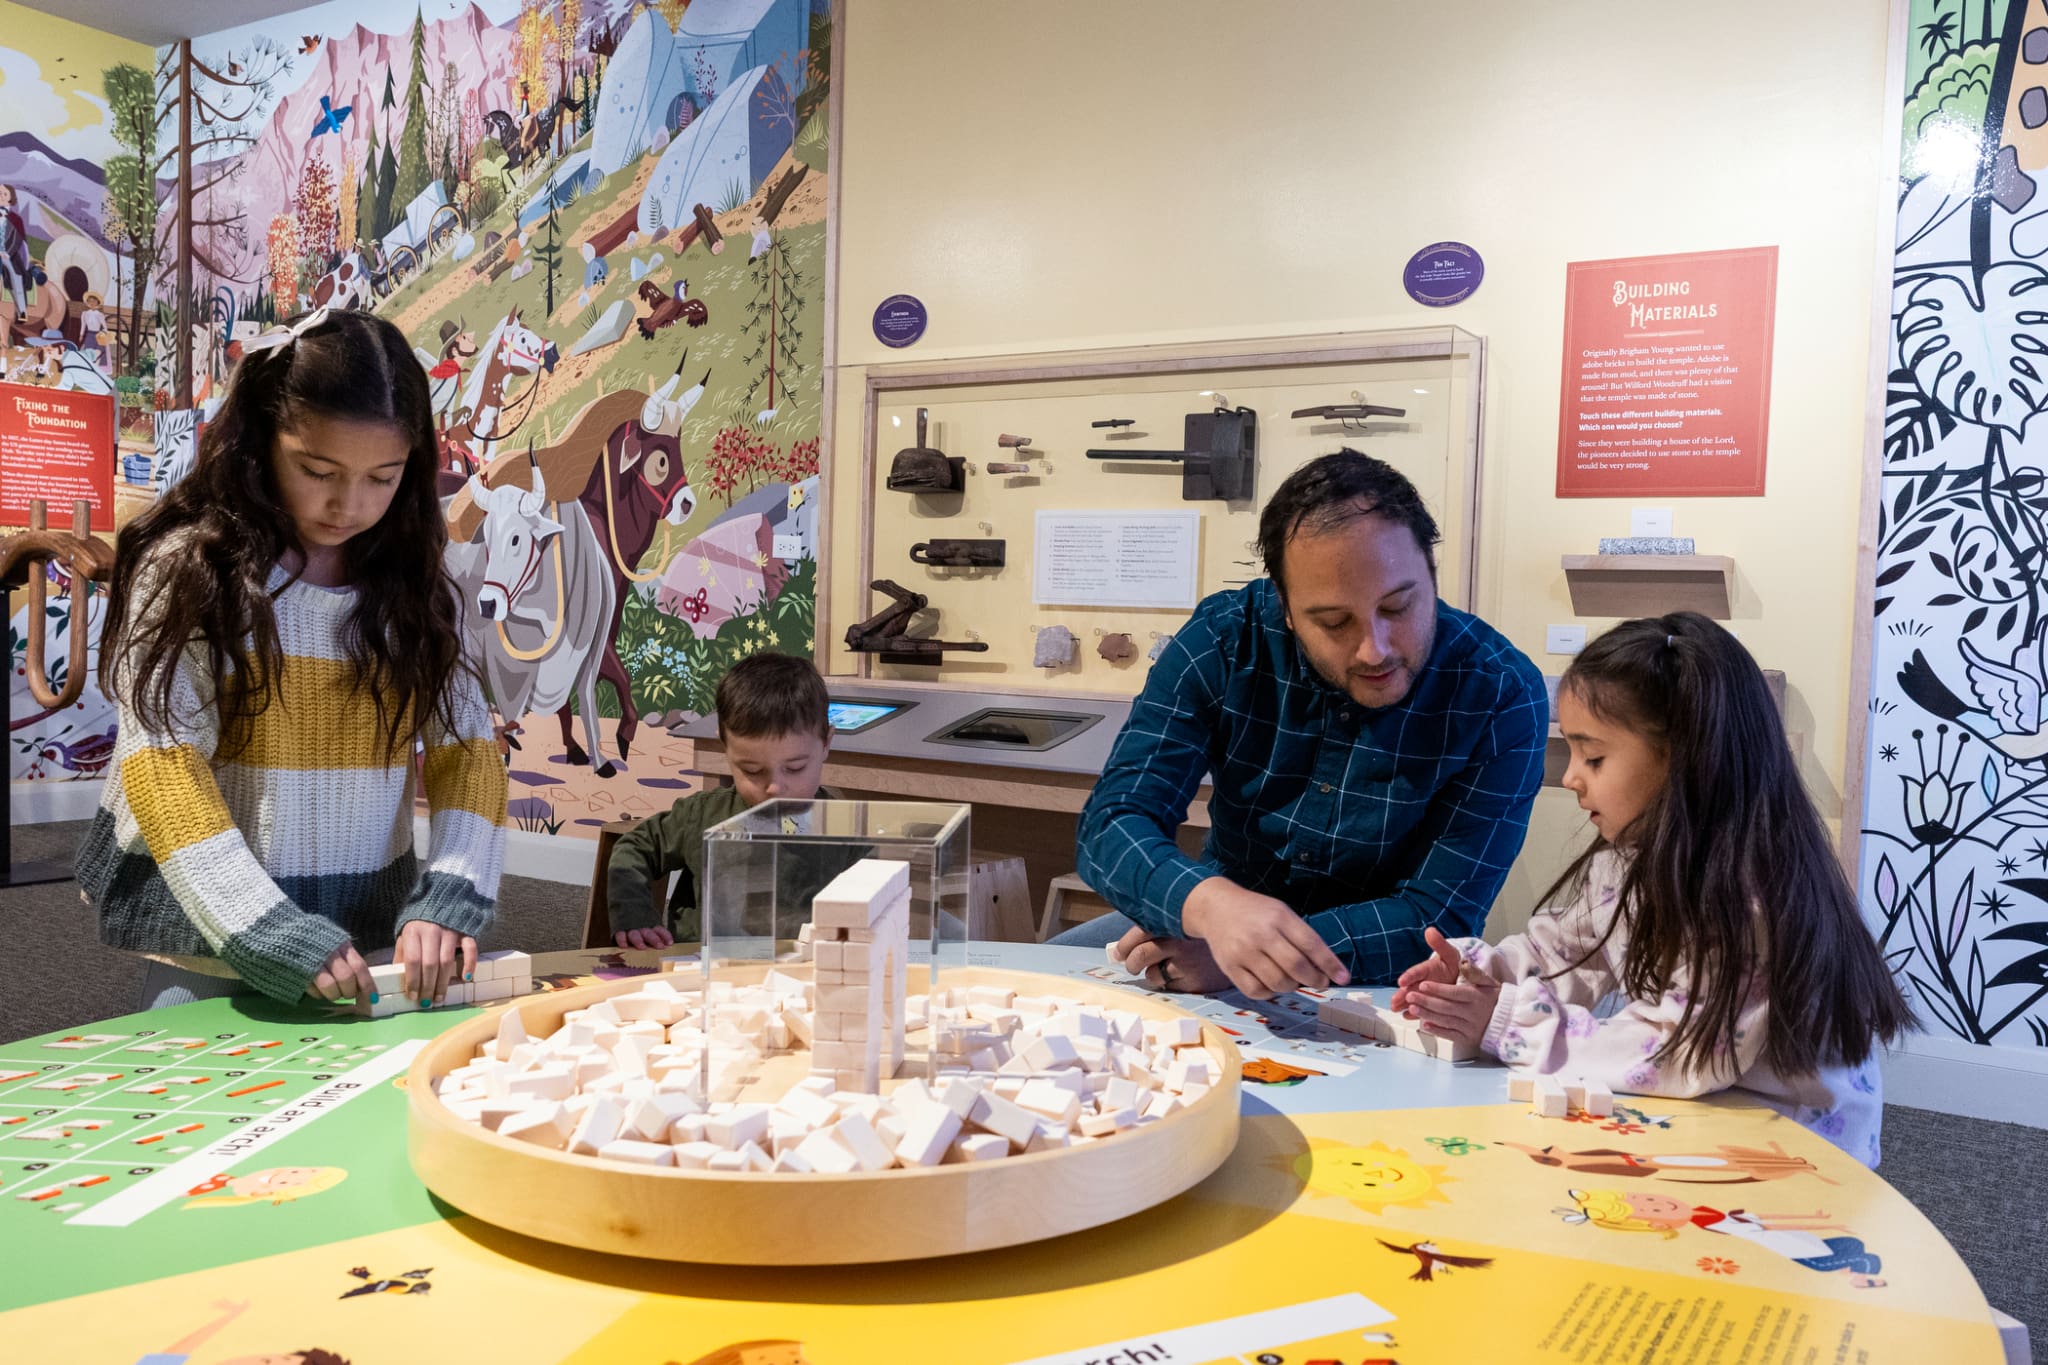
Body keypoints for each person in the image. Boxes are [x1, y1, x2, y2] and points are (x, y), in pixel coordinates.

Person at [76, 308, 508, 1012]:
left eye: (383, 477)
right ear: (259, 441)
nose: (349, 503)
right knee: (199, 1113)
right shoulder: (186, 571)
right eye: (318, 469)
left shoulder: (422, 587)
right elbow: (164, 767)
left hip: (359, 937)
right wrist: (263, 926)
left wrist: (450, 892)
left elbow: (469, 752)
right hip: (210, 941)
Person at [1391, 613, 1911, 1165]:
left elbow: (1675, 1052)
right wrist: (1479, 975)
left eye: (1593, 757)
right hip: (1709, 1109)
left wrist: (1505, 1020)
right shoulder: (1626, 858)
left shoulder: (1749, 900)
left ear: (1684, 760)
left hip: (1797, 1151)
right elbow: (1565, 951)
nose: (1570, 777)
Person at [1069, 451, 1548, 998]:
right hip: (1210, 932)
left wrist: (1254, 957)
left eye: (1397, 607)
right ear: (1287, 608)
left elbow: (1440, 917)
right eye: (1334, 622)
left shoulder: (1500, 692)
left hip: (1376, 973)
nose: (1375, 649)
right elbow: (1113, 822)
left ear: (1432, 577)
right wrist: (1208, 908)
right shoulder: (1226, 641)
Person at [607, 651, 841, 949]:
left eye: (795, 768)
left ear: (826, 744)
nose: (774, 787)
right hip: (699, 975)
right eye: (752, 770)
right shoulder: (703, 814)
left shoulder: (847, 830)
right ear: (725, 748)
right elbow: (633, 848)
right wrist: (634, 914)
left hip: (800, 981)